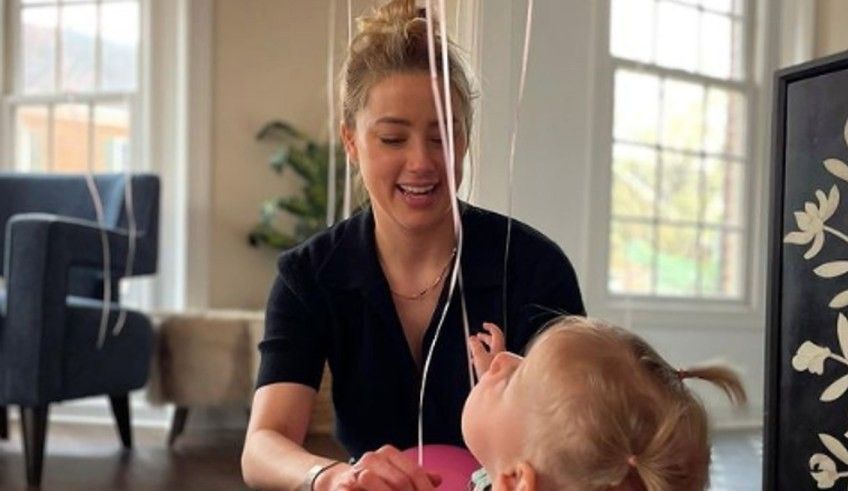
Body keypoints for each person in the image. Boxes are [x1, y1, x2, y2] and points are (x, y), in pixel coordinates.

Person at [241, 1, 585, 489]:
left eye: (442, 136)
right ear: (352, 143)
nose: (422, 162)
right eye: (392, 138)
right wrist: (332, 478)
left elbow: (581, 437)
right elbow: (262, 445)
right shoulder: (309, 275)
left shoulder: (536, 268)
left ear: (464, 141)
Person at [462, 316, 747, 491]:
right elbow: (515, 457)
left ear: (517, 485)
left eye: (514, 378)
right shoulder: (540, 477)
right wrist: (498, 392)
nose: (503, 360)